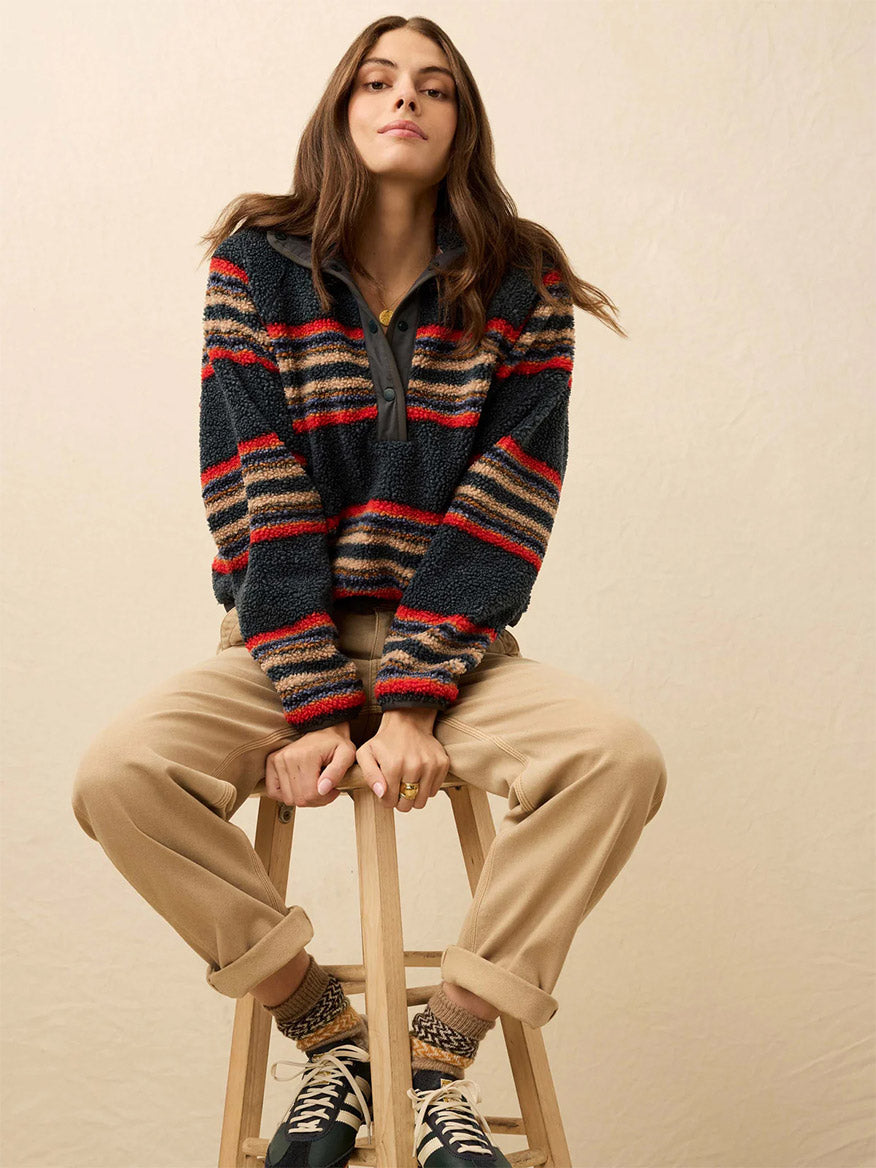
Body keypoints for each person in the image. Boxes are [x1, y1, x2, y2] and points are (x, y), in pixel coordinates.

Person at [70, 15, 668, 1168]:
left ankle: (438, 1047)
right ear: (343, 108)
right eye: (382, 81)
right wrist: (310, 705)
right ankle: (328, 1035)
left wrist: (410, 703)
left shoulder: (522, 280)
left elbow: (509, 498)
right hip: (279, 639)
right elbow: (256, 485)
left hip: (450, 648)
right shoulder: (256, 262)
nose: (409, 100)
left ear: (462, 121)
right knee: (118, 776)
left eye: (437, 87)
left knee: (620, 760)